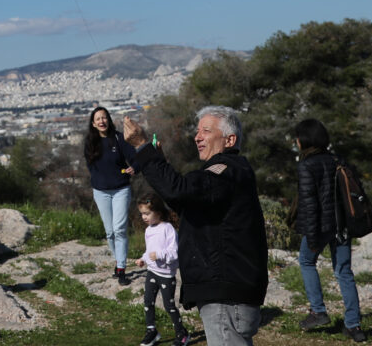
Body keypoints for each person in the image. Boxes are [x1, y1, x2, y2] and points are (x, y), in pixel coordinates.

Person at [123, 106, 268, 346]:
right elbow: (188, 203)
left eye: (206, 131)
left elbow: (179, 191)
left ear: (229, 140)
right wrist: (158, 162)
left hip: (226, 296)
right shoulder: (232, 172)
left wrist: (142, 146)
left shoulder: (225, 172)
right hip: (231, 291)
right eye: (197, 131)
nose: (197, 137)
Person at [293, 119, 366, 343]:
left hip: (320, 226)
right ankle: (354, 326)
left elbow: (310, 204)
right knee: (344, 272)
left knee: (306, 261)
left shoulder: (307, 165)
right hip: (342, 226)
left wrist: (312, 237)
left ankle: (318, 311)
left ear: (304, 140)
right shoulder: (338, 160)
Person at [83, 106, 137, 285]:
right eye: (98, 119)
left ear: (109, 120)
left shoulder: (118, 138)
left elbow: (133, 156)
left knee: (119, 228)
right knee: (110, 232)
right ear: (93, 123)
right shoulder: (90, 142)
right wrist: (98, 179)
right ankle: (117, 260)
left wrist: (134, 167)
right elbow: (90, 165)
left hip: (121, 189)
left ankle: (121, 268)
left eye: (104, 118)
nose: (101, 121)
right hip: (101, 192)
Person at [135, 193, 189, 346]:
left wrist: (159, 255)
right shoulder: (148, 230)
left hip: (166, 275)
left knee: (169, 305)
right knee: (148, 302)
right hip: (152, 272)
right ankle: (152, 331)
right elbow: (149, 251)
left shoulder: (168, 229)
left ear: (158, 212)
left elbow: (174, 253)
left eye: (147, 213)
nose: (144, 217)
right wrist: (143, 259)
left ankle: (182, 333)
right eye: (142, 214)